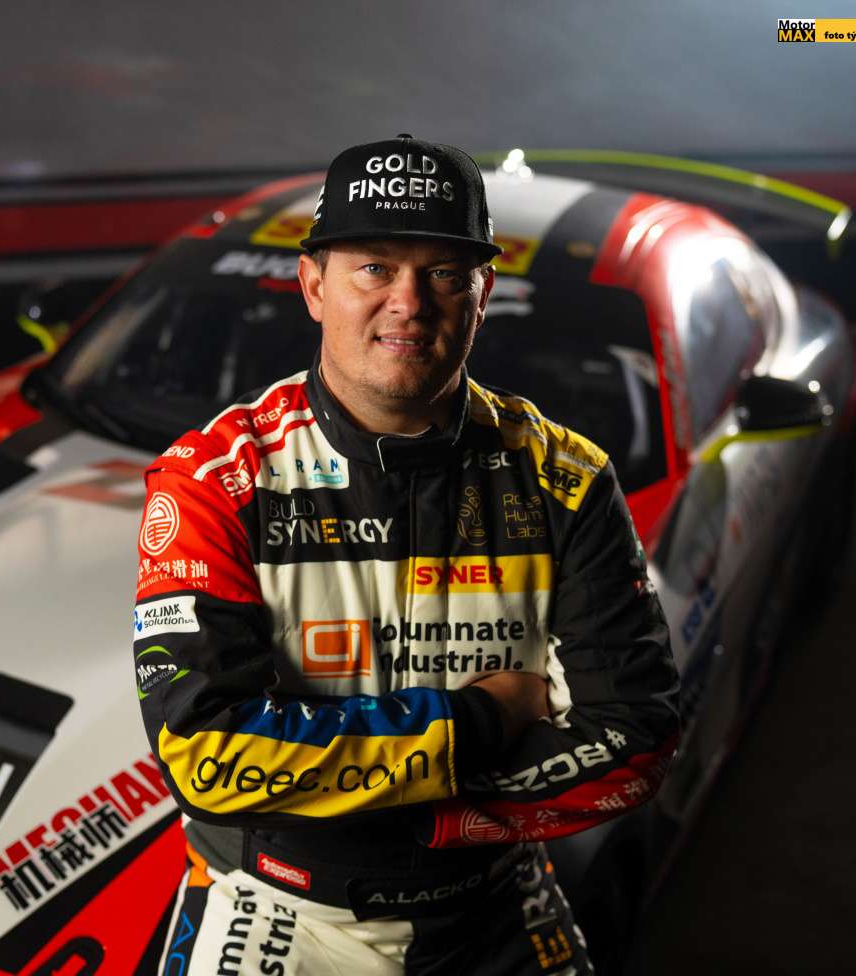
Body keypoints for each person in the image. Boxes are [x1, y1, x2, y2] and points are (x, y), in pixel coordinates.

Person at [133, 134, 680, 975]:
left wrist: (408, 812)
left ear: (483, 294)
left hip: (493, 901)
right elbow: (207, 758)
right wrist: (481, 722)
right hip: (278, 911)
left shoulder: (565, 478)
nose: (409, 303)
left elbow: (636, 742)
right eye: (375, 268)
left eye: (445, 274)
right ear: (314, 285)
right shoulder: (214, 480)